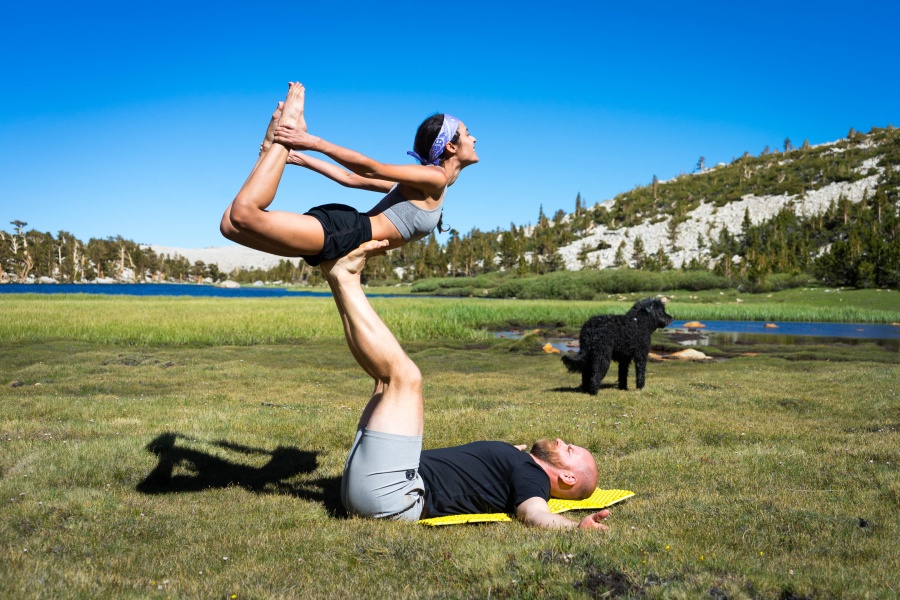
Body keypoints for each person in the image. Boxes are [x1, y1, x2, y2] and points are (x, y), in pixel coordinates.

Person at [322, 240, 611, 530]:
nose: (561, 440)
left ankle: (347, 278)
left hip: (391, 495)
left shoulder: (533, 477)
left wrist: (575, 528)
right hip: (377, 486)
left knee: (405, 378)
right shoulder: (521, 465)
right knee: (384, 382)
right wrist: (505, 456)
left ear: (568, 478)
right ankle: (337, 276)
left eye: (569, 450)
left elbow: (534, 513)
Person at [220, 82, 478, 266]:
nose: (474, 138)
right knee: (243, 215)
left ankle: (270, 147)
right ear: (451, 146)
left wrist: (301, 158)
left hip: (347, 237)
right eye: (468, 134)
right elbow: (371, 168)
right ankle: (285, 129)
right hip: (350, 231)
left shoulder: (426, 184)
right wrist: (311, 142)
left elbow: (350, 179)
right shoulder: (435, 177)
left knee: (230, 227)